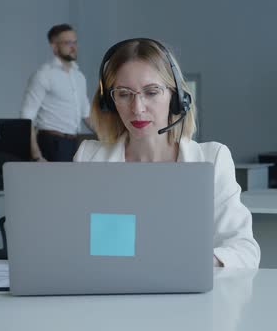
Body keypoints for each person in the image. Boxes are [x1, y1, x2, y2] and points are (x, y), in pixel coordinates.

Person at [73, 38, 260, 268]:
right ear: (109, 103)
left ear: (177, 98)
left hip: (186, 296)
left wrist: (192, 264)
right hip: (112, 292)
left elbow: (244, 250)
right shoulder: (89, 158)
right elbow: (74, 244)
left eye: (151, 92)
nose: (137, 108)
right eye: (123, 94)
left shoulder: (212, 158)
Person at [21, 24, 90, 162]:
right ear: (54, 46)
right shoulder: (43, 75)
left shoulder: (79, 76)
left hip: (74, 143)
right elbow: (26, 118)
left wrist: (109, 139)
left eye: (75, 42)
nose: (73, 47)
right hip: (52, 143)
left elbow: (86, 115)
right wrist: (36, 155)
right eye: (67, 43)